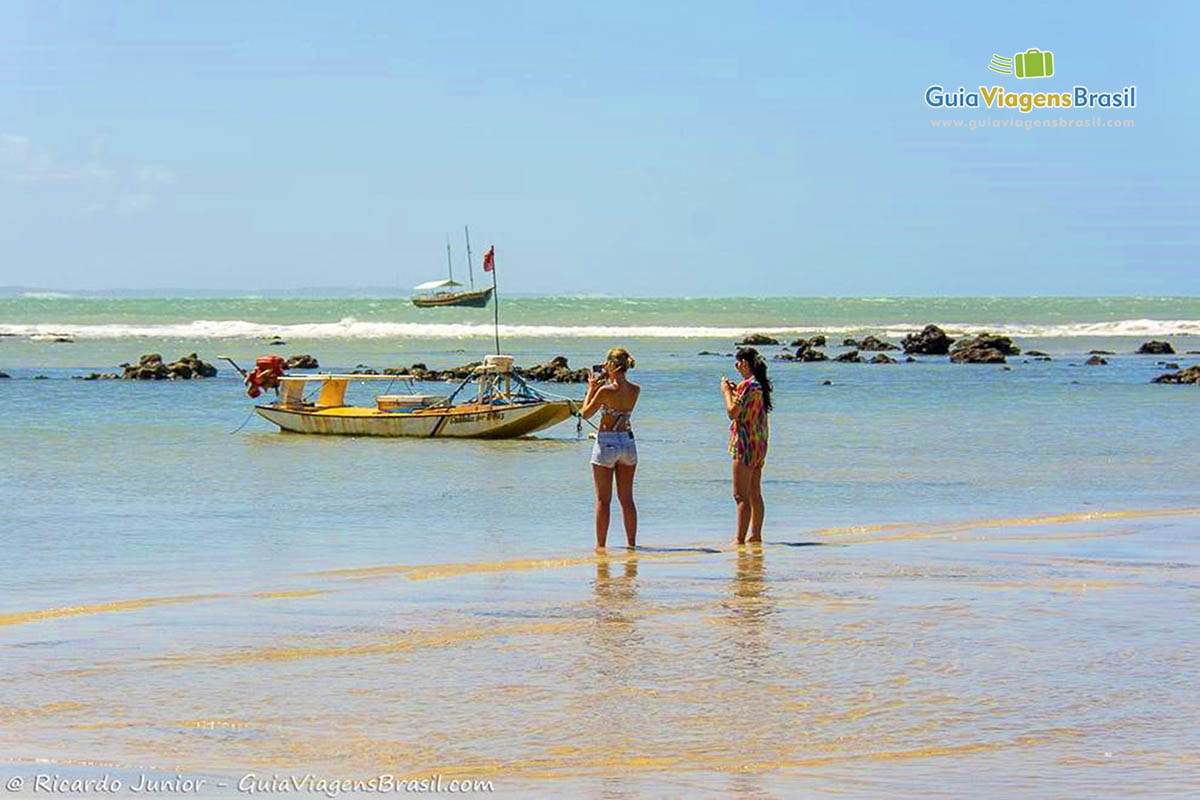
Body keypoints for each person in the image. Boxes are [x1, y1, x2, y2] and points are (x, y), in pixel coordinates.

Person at [580, 348, 640, 549]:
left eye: (607, 364)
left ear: (612, 366)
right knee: (627, 499)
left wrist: (591, 388)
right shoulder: (635, 390)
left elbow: (585, 414)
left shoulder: (604, 391)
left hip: (606, 441)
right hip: (627, 440)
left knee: (603, 501)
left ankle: (601, 546)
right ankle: (631, 544)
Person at [721, 347, 773, 544]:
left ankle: (739, 539)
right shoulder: (759, 385)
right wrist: (735, 391)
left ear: (745, 363)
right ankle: (756, 535)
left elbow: (732, 412)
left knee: (740, 495)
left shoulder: (748, 385)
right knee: (754, 493)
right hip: (759, 444)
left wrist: (726, 392)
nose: (737, 367)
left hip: (744, 443)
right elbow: (747, 407)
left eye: (738, 363)